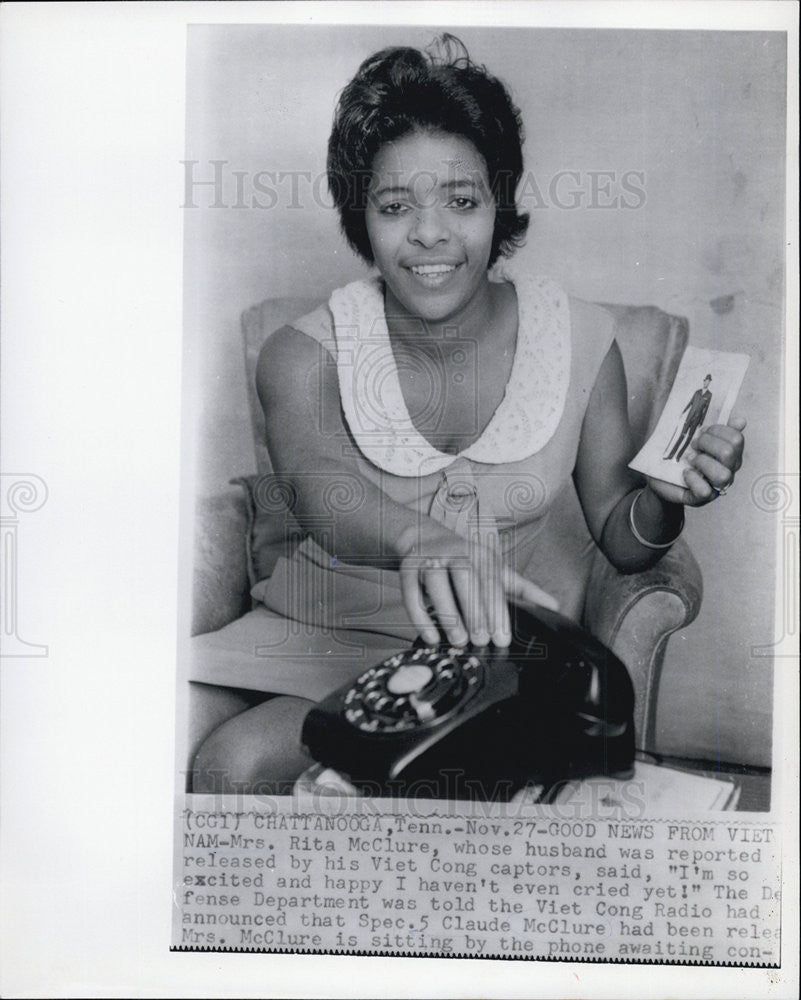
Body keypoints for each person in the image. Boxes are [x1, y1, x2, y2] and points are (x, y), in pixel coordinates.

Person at [192, 36, 746, 794]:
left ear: (499, 200)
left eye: (460, 200)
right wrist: (419, 535)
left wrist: (666, 499)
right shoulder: (300, 349)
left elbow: (623, 537)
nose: (429, 234)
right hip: (306, 628)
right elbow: (323, 493)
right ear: (362, 215)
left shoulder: (582, 338)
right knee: (146, 743)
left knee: (233, 764)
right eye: (394, 206)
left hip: (470, 656)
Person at [665, 374, 713, 461]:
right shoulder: (697, 392)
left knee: (689, 438)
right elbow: (690, 402)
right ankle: (670, 456)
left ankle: (678, 457)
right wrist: (683, 412)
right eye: (706, 381)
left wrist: (701, 421)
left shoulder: (709, 395)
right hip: (689, 417)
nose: (706, 383)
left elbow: (705, 409)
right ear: (704, 381)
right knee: (681, 435)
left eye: (708, 382)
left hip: (696, 420)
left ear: (709, 383)